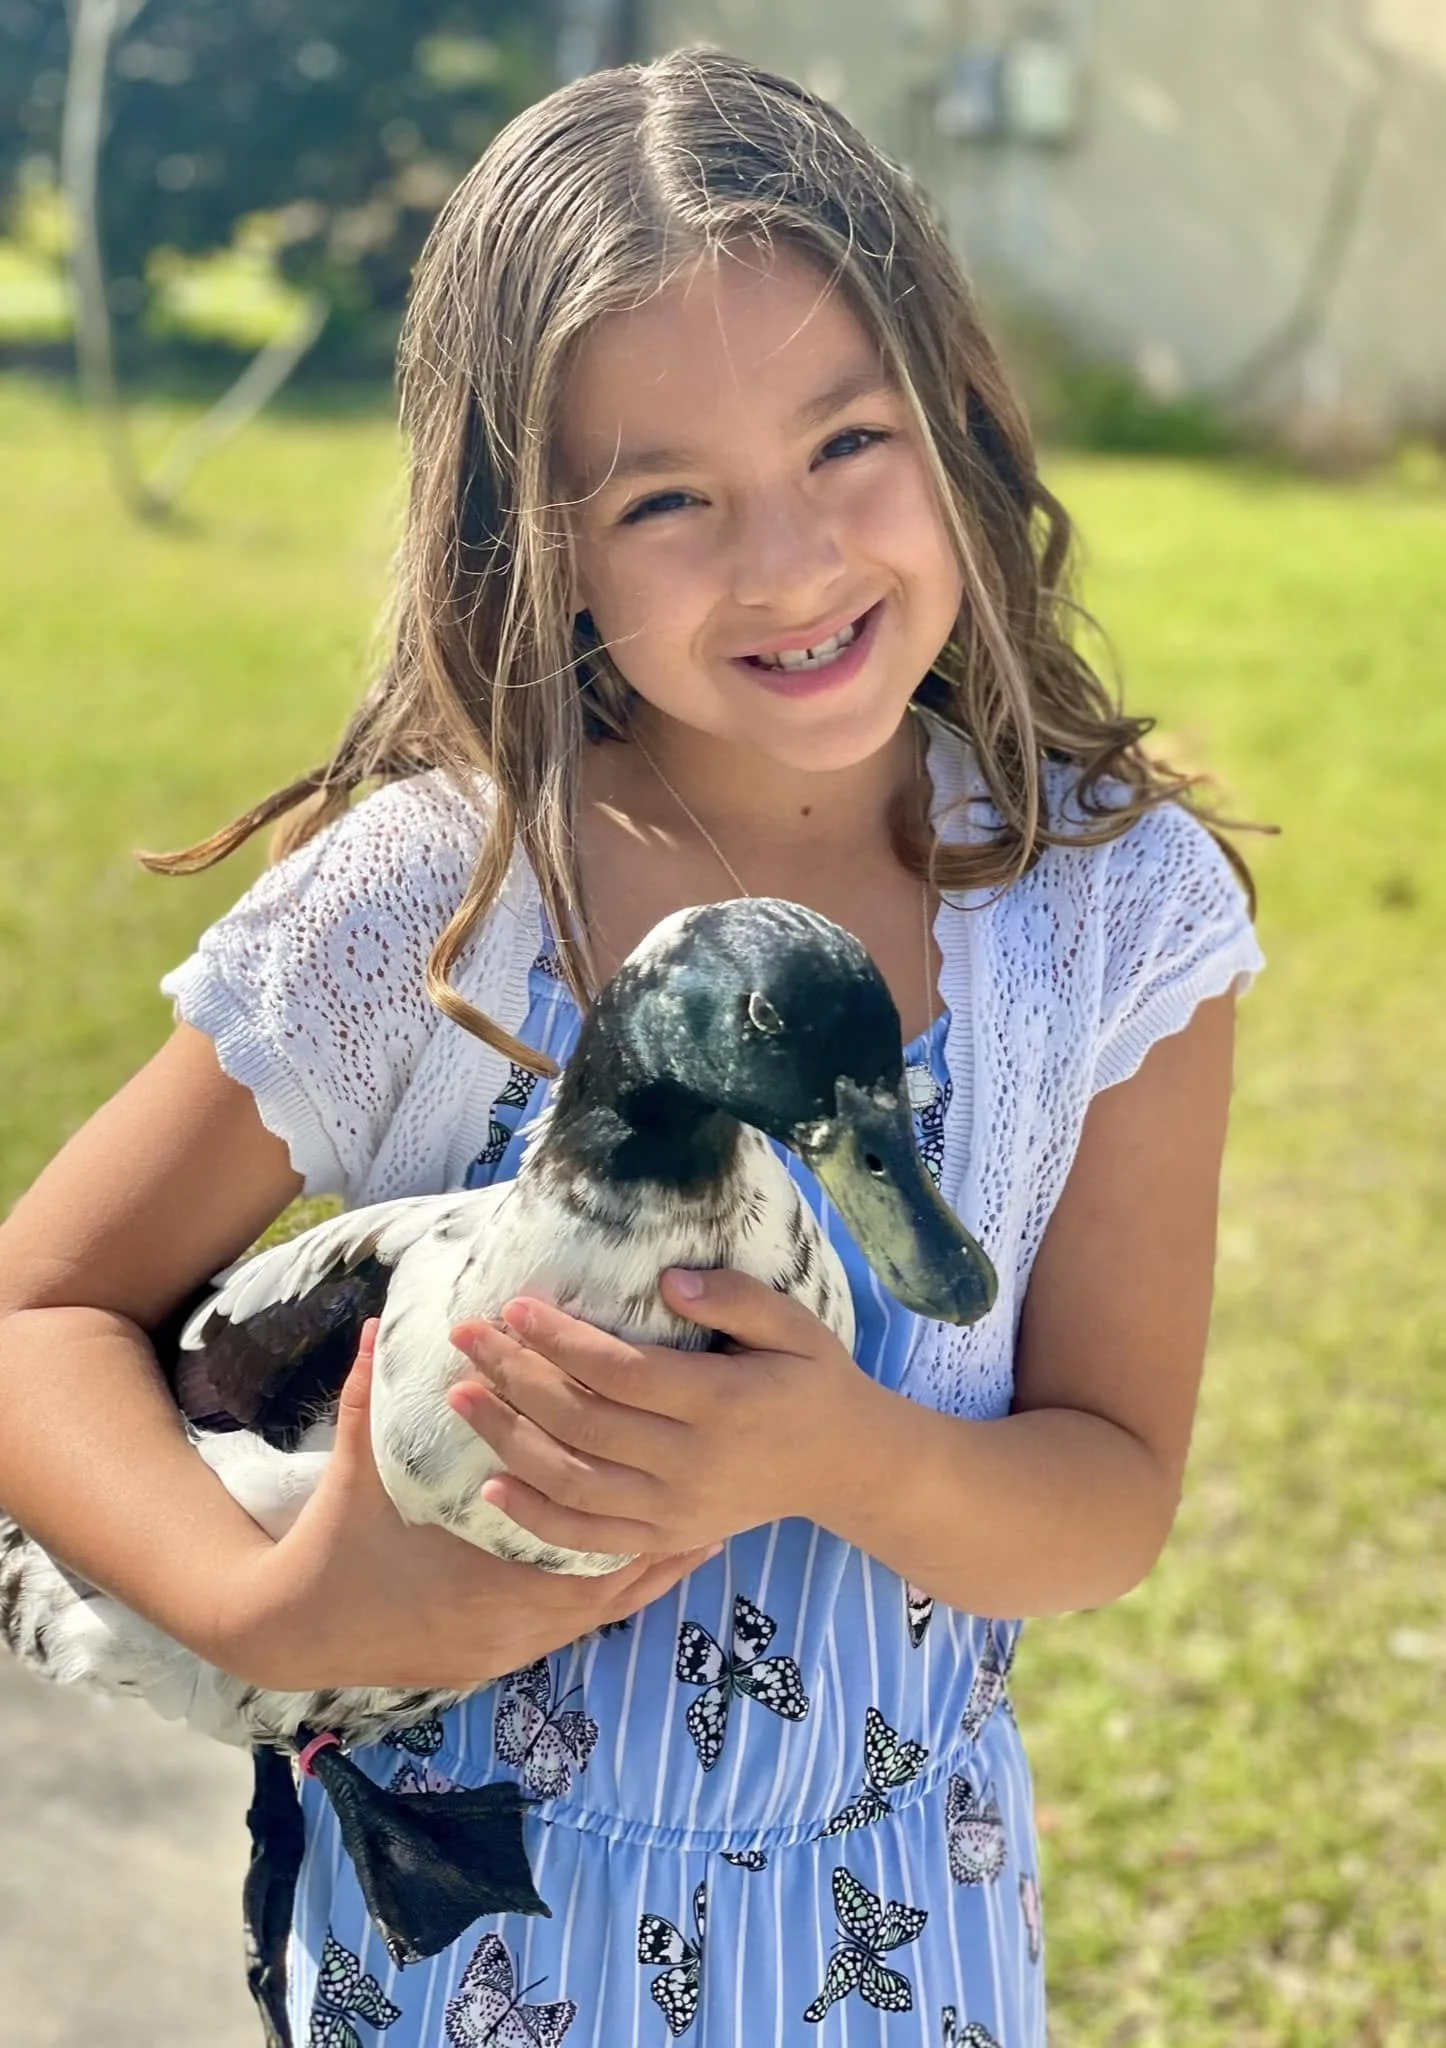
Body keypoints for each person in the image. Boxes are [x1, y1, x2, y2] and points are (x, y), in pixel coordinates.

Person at [0, 46, 1264, 2048]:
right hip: (459, 1960)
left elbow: (1106, 1491)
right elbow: (38, 1312)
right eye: (666, 496)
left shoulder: (1105, 916)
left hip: (896, 1948)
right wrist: (270, 1618)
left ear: (953, 418)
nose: (787, 563)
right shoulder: (438, 899)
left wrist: (838, 1453)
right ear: (539, 540)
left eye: (850, 441)